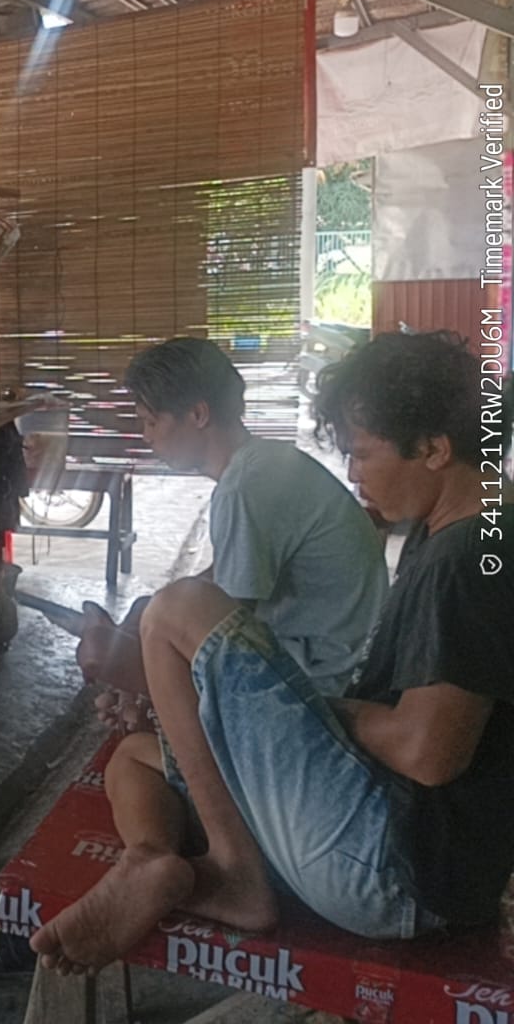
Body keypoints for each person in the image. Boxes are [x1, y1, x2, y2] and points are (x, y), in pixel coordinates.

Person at [31, 330, 514, 974]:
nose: (353, 474)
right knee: (135, 757)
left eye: (362, 454)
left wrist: (294, 706)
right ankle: (151, 858)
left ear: (434, 449)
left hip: (393, 871)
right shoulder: (462, 534)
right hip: (400, 852)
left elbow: (429, 751)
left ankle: (237, 874)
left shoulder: (470, 559)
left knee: (176, 609)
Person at [77, 338, 387, 729]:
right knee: (148, 611)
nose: (146, 436)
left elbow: (225, 622)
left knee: (110, 659)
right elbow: (220, 580)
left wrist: (136, 665)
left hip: (322, 681)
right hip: (338, 654)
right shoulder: (267, 462)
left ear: (198, 414)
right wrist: (145, 616)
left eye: (151, 421)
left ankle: (158, 722)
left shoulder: (243, 488)